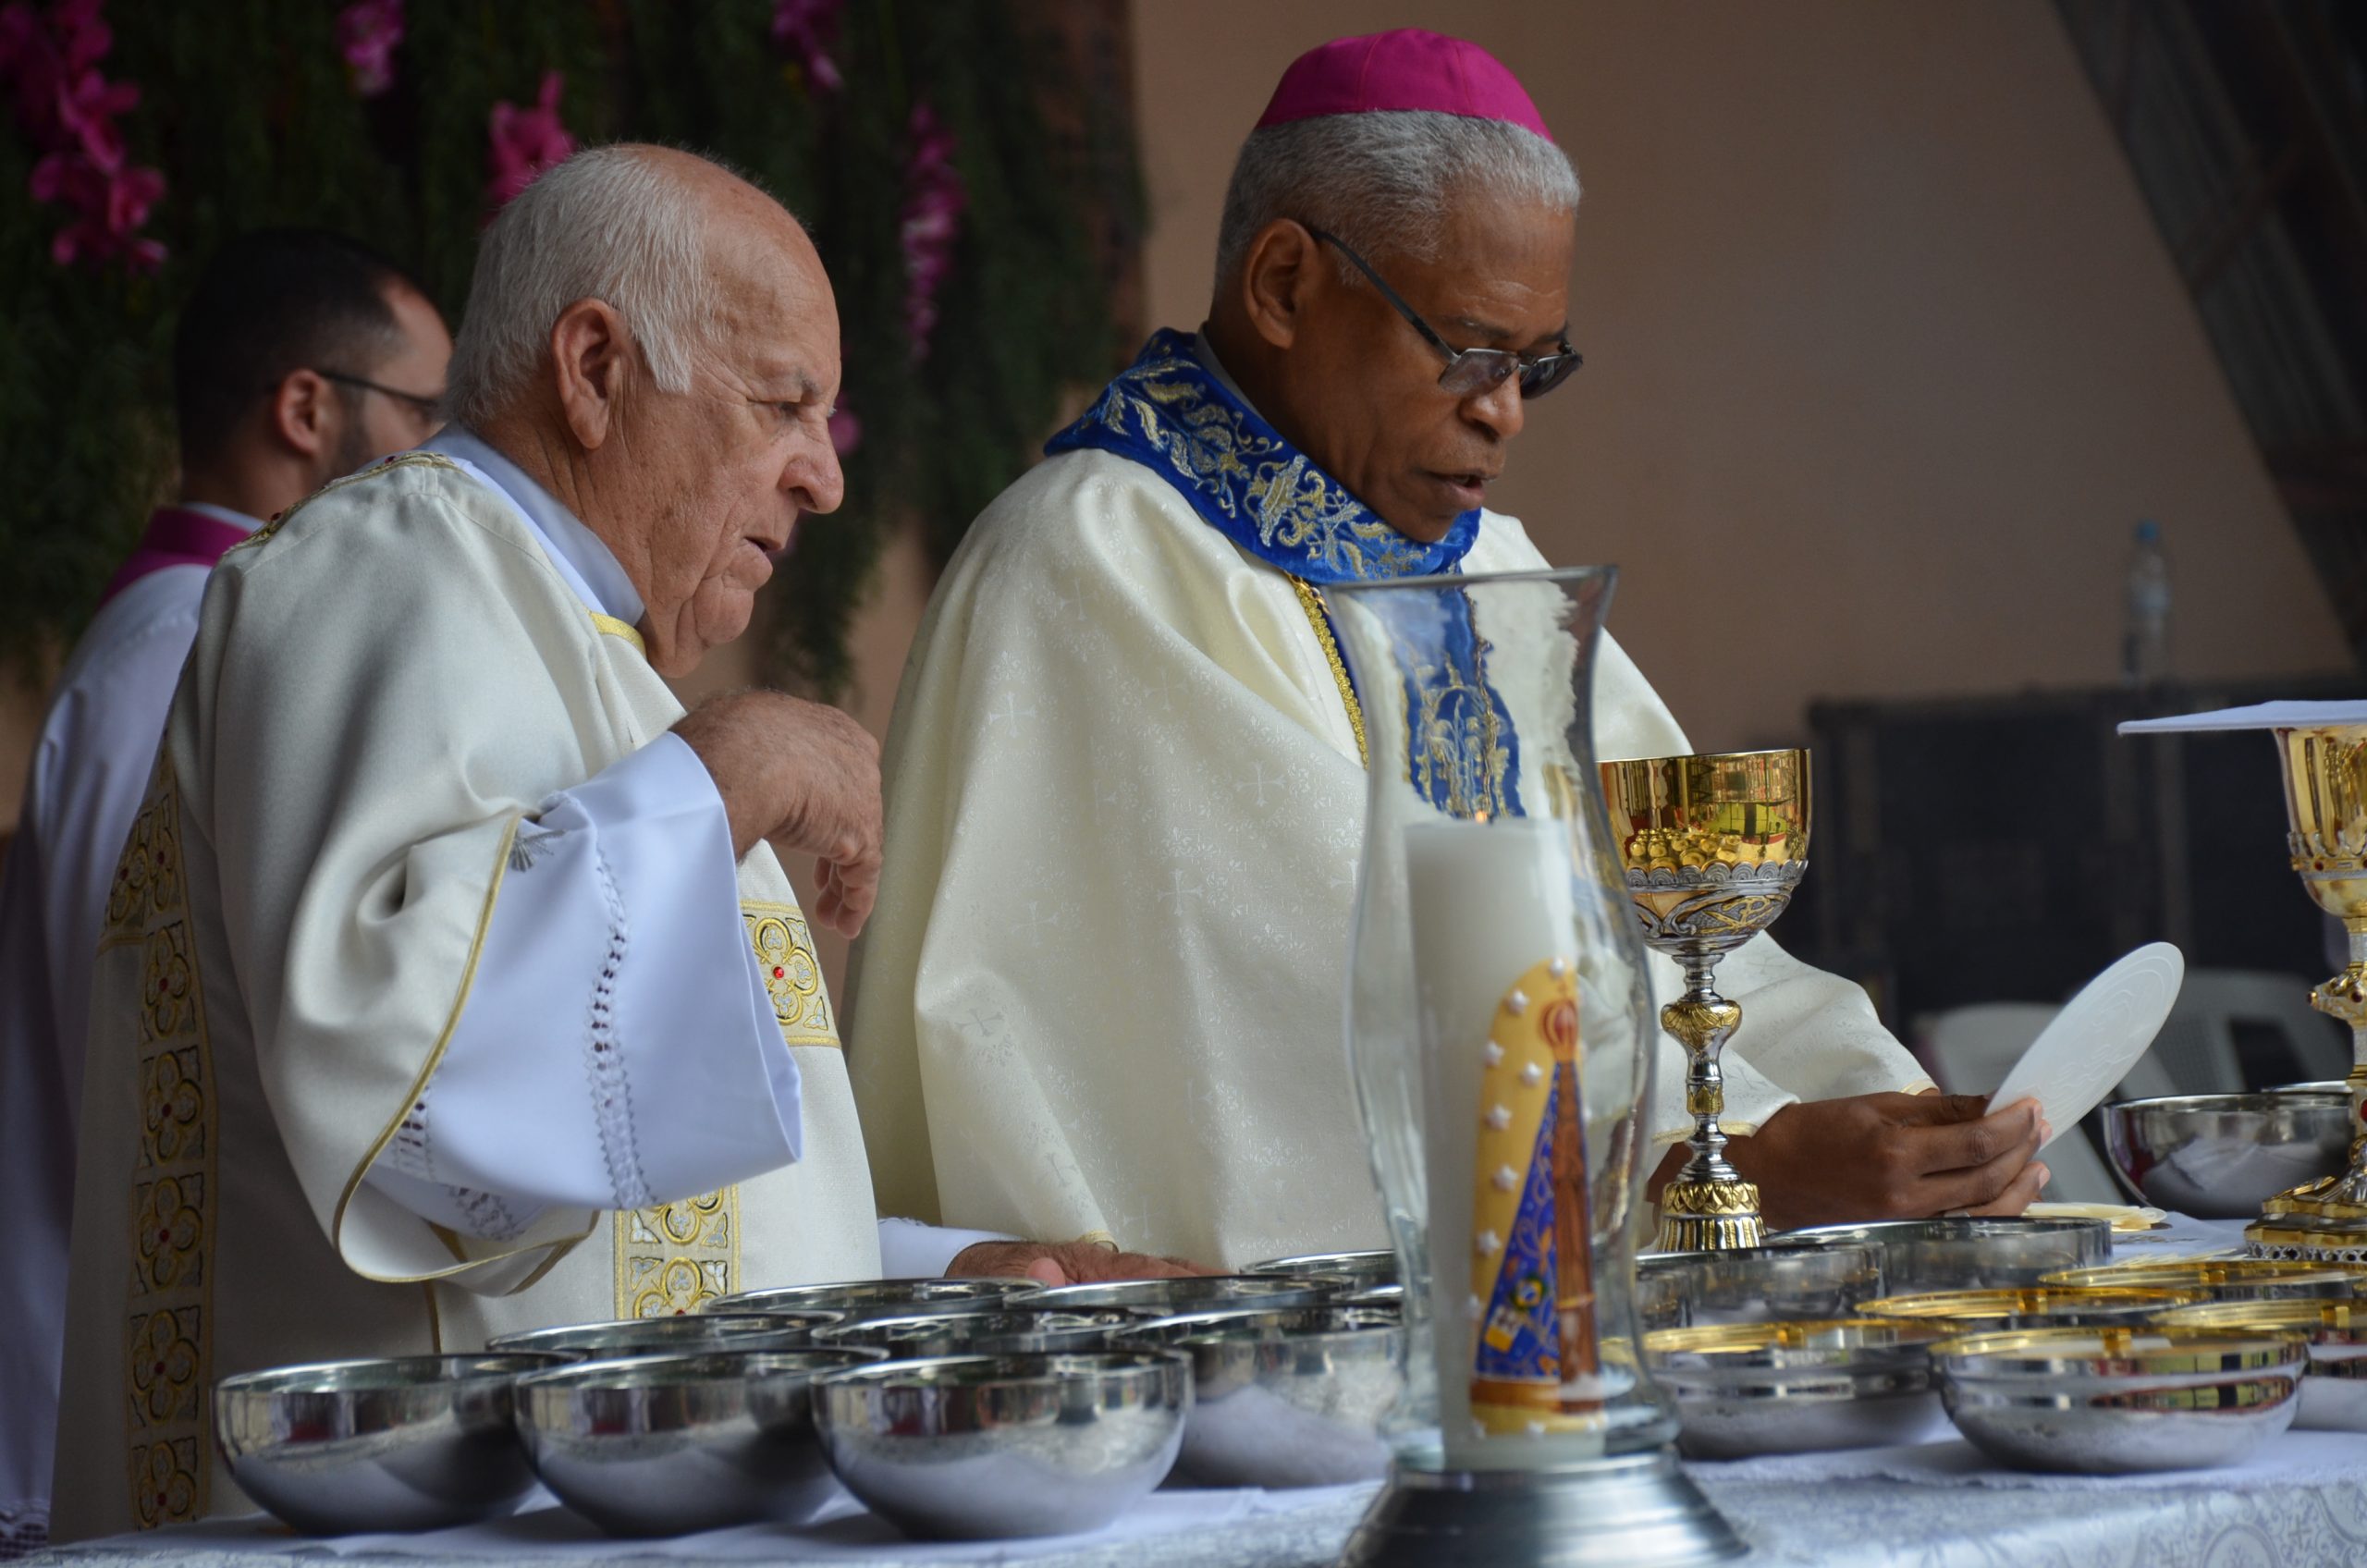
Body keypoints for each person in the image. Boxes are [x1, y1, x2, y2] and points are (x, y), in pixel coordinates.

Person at [47, 146, 1183, 1543]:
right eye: (785, 404)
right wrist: (721, 776)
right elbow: (411, 1098)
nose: (824, 479)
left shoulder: (580, 651)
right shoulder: (388, 563)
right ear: (592, 368)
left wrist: (939, 1277)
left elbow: (648, 1222)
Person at [846, 30, 2049, 1268]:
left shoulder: (1491, 566)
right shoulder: (1093, 563)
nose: (1506, 414)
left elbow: (1689, 933)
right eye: (1470, 352)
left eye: (1538, 367)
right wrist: (1725, 1159)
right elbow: (1318, 1007)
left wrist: (1886, 1111)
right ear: (1284, 286)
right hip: (1247, 1380)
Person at [0, 228, 448, 1559]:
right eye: (427, 412)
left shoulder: (209, 635)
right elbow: (146, 1067)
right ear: (306, 409)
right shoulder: (179, 653)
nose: (445, 460)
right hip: (131, 1398)